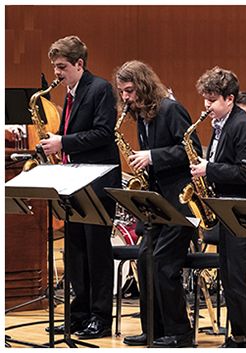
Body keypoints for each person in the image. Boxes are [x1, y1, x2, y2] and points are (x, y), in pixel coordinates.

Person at [113, 60, 202, 348]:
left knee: (164, 265)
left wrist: (152, 156)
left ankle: (181, 333)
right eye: (122, 92)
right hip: (157, 202)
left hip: (180, 202)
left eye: (129, 91)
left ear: (143, 86)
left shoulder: (170, 109)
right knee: (144, 260)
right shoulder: (142, 115)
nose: (125, 98)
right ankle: (153, 329)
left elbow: (192, 151)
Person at [40, 35, 121, 339]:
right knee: (75, 251)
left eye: (61, 67)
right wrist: (54, 143)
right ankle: (79, 313)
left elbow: (103, 132)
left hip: (98, 182)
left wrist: (64, 141)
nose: (56, 73)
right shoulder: (70, 93)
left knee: (96, 252)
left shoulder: (99, 89)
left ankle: (100, 317)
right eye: (54, 67)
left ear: (79, 64)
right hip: (73, 181)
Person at [191, 66, 246, 348]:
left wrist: (208, 169)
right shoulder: (223, 122)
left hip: (242, 211)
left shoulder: (241, 126)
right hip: (226, 208)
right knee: (228, 275)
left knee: (239, 276)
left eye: (212, 100)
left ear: (230, 98)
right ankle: (239, 335)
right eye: (205, 99)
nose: (206, 105)